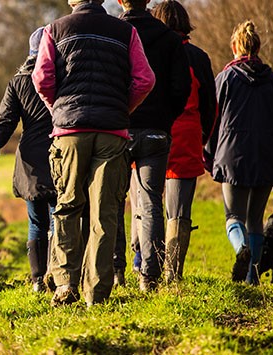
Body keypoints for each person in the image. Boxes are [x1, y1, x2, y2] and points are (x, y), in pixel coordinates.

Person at [33, 0, 154, 306]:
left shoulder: (54, 30)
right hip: (111, 131)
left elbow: (42, 79)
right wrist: (121, 109)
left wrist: (58, 109)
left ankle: (65, 284)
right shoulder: (126, 32)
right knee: (105, 213)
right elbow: (145, 80)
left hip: (69, 132)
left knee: (67, 206)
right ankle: (96, 293)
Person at [205, 20, 273, 286]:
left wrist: (208, 156)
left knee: (234, 217)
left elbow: (211, 121)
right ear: (258, 46)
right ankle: (252, 276)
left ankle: (241, 250)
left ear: (234, 47)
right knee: (255, 220)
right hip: (265, 160)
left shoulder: (224, 79)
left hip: (232, 159)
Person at [115, 0, 192, 292]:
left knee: (112, 202)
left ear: (121, 1)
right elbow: (181, 88)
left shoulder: (116, 32)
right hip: (156, 132)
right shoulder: (170, 39)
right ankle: (149, 276)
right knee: (150, 203)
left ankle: (116, 272)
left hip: (120, 129)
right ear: (148, 1)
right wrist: (164, 118)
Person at [0, 27, 57, 293]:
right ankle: (59, 277)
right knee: (59, 218)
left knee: (36, 222)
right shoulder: (64, 76)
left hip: (30, 160)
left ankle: (37, 281)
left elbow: (4, 124)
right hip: (60, 151)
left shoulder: (18, 81)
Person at [152, 0, 216, 283]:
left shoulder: (147, 52)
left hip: (151, 132)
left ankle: (145, 269)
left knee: (147, 206)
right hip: (187, 135)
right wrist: (202, 137)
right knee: (178, 212)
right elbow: (210, 107)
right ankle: (172, 274)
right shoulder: (198, 57)